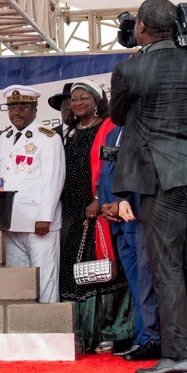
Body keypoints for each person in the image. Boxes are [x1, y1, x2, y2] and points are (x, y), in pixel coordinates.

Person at [109, 0, 187, 373]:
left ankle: (177, 355)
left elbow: (118, 115)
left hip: (161, 176)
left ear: (141, 26)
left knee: (167, 267)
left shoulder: (129, 70)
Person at [57, 81, 132, 354]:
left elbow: (112, 167)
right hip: (70, 210)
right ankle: (83, 336)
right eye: (74, 98)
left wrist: (100, 200)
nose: (78, 102)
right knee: (76, 268)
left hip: (96, 207)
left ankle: (110, 331)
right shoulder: (68, 133)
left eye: (84, 97)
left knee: (103, 269)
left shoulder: (107, 127)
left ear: (97, 100)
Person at [0, 85, 65, 303]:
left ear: (35, 109)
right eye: (13, 107)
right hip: (11, 222)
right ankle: (24, 330)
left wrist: (45, 216)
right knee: (19, 282)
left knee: (45, 278)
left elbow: (54, 179)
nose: (17, 112)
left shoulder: (48, 138)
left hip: (39, 223)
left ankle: (50, 331)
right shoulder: (2, 139)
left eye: (23, 107)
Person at [99, 126, 161, 361]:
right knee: (135, 284)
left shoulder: (144, 128)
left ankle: (152, 339)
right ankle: (141, 338)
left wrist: (121, 202)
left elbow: (141, 174)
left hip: (136, 216)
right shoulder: (113, 133)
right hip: (116, 220)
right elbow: (106, 172)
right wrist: (106, 203)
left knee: (145, 282)